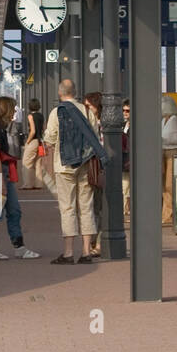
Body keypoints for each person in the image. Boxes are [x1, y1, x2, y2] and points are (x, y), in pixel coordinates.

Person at [43, 79, 108, 264]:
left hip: (64, 166)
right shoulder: (87, 111)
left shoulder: (57, 112)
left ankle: (68, 252)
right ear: (76, 92)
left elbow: (50, 140)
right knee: (86, 207)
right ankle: (87, 251)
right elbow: (95, 136)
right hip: (86, 165)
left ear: (60, 93)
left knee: (68, 208)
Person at [0, 96, 40, 260]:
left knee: (14, 211)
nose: (15, 111)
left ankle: (19, 247)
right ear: (5, 109)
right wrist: (1, 182)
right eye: (12, 108)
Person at [82, 91, 105, 258]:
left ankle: (99, 242)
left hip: (101, 167)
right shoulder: (87, 123)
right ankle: (93, 240)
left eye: (89, 106)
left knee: (99, 206)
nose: (86, 109)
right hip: (91, 167)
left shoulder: (104, 123)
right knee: (91, 207)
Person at [162, 95, 177, 225]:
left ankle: (169, 213)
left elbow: (176, 139)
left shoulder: (174, 120)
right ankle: (166, 213)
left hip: (172, 152)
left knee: (170, 184)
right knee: (164, 185)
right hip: (164, 151)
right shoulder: (164, 120)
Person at [20, 97, 44, 189]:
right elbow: (43, 128)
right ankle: (39, 184)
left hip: (33, 141)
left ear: (30, 106)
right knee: (38, 163)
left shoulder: (30, 116)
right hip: (40, 141)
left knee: (26, 163)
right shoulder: (41, 116)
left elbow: (32, 131)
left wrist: (27, 141)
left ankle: (28, 184)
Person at [120, 99, 131, 221]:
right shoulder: (123, 124)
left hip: (130, 159)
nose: (124, 113)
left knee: (127, 186)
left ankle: (126, 209)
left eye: (127, 110)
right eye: (123, 110)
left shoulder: (135, 125)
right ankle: (124, 209)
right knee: (124, 186)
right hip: (124, 160)